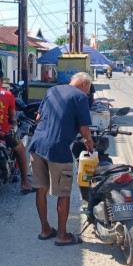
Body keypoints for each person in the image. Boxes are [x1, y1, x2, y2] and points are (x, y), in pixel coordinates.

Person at [28, 72, 94, 246]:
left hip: (37, 144)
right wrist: (89, 141)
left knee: (40, 189)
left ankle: (45, 230)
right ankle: (62, 236)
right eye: (88, 89)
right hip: (58, 148)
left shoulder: (53, 90)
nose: (87, 92)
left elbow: (38, 116)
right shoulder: (80, 97)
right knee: (63, 192)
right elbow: (84, 128)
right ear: (84, 84)